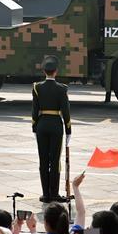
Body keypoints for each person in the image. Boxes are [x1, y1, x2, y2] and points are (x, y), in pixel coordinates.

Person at [32, 55, 71, 203]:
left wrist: (34, 127)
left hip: (41, 125)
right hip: (55, 125)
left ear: (44, 71)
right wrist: (68, 130)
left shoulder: (37, 87)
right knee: (55, 161)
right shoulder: (62, 89)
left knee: (43, 160)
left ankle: (45, 194)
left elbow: (34, 111)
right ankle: (54, 193)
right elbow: (65, 112)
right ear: (56, 72)